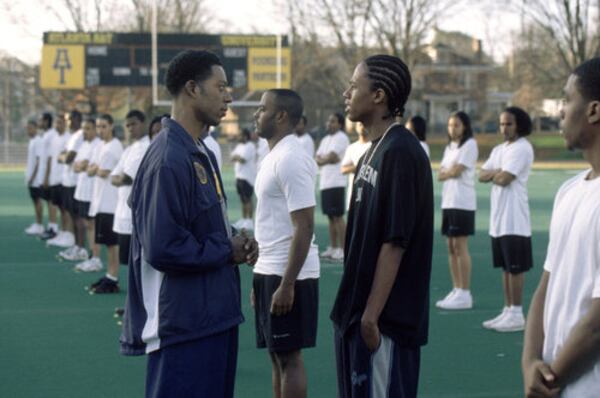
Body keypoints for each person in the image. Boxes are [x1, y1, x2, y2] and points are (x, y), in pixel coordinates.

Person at [120, 50, 258, 398]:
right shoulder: (168, 158)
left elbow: (204, 226)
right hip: (183, 325)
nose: (230, 95)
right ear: (193, 89)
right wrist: (226, 250)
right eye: (222, 86)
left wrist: (234, 240)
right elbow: (163, 248)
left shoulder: (202, 151)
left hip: (215, 316)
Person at [330, 54, 433, 398]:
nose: (347, 93)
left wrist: (372, 317)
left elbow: (395, 241)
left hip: (383, 324)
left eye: (354, 85)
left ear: (379, 96)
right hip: (355, 315)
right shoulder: (372, 152)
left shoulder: (401, 152)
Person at [522, 57, 600, 398]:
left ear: (594, 111)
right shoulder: (569, 191)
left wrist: (549, 379)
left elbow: (597, 325)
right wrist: (529, 363)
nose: (561, 111)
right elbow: (545, 286)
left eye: (567, 100)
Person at [253, 88, 320, 398]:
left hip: (289, 274)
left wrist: (287, 283)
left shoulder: (292, 158)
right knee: (275, 356)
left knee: (289, 358)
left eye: (262, 109)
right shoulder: (274, 155)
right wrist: (261, 279)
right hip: (270, 269)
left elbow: (304, 225)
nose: (256, 114)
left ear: (280, 116)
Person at [479, 107, 534, 332]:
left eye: (508, 124)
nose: (504, 128)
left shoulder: (522, 148)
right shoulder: (500, 149)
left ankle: (517, 313)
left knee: (515, 269)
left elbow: (503, 179)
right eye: (501, 124)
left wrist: (496, 172)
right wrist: (497, 172)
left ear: (519, 124)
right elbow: (482, 174)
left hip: (515, 220)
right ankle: (508, 310)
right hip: (499, 220)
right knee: (505, 268)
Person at [435, 111, 478, 310]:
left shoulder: (470, 145)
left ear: (465, 127)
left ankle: (465, 292)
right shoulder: (449, 147)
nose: (452, 128)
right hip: (449, 202)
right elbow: (441, 174)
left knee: (460, 247)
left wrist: (448, 171)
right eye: (450, 125)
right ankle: (456, 289)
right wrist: (448, 172)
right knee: (450, 246)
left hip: (463, 203)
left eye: (457, 125)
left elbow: (455, 171)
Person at [86, 114, 123, 293]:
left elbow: (100, 172)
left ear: (111, 126)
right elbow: (91, 169)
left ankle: (113, 278)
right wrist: (95, 168)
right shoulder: (100, 146)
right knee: (107, 241)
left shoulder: (114, 147)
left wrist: (95, 169)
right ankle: (109, 275)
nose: (100, 130)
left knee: (111, 243)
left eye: (103, 126)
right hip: (100, 200)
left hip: (111, 202)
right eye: (98, 126)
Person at [110, 110, 150, 268]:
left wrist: (120, 178)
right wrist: (120, 178)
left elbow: (126, 178)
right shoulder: (129, 149)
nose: (130, 128)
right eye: (127, 125)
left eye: (134, 124)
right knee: (127, 262)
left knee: (137, 262)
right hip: (122, 212)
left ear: (143, 123)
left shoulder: (146, 147)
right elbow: (114, 177)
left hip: (135, 215)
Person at [315, 113, 349, 261]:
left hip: (336, 182)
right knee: (330, 216)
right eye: (329, 121)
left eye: (333, 121)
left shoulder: (342, 137)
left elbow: (333, 156)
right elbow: (318, 157)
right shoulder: (325, 139)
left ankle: (343, 249)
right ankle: (333, 247)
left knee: (338, 216)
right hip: (325, 182)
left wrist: (326, 159)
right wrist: (326, 159)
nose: (329, 123)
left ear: (340, 124)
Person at [70, 118, 102, 264]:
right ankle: (88, 252)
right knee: (84, 223)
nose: (85, 131)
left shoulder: (98, 145)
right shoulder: (83, 145)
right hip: (81, 190)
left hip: (91, 192)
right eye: (84, 128)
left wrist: (82, 166)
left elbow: (89, 166)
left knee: (91, 224)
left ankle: (95, 257)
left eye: (88, 128)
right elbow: (76, 166)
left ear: (95, 130)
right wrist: (81, 165)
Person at [56, 110, 85, 255]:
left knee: (78, 216)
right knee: (72, 215)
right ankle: (75, 245)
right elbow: (61, 155)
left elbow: (67, 157)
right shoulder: (72, 136)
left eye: (69, 120)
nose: (68, 123)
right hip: (67, 181)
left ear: (77, 120)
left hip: (74, 181)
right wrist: (63, 156)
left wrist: (63, 156)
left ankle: (81, 247)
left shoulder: (80, 135)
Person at [45, 113, 73, 248]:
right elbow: (51, 158)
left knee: (65, 208)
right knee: (60, 208)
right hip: (54, 178)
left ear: (65, 124)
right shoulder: (54, 138)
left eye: (60, 123)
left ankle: (68, 234)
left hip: (64, 179)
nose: (58, 125)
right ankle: (63, 232)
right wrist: (48, 176)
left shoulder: (68, 138)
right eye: (56, 123)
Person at [37, 112, 59, 240]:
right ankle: (51, 225)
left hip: (49, 175)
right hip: (44, 174)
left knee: (52, 202)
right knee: (48, 202)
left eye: (40, 120)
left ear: (46, 121)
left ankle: (53, 228)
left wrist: (47, 177)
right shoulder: (45, 135)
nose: (39, 122)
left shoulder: (51, 135)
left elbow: (51, 157)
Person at [230, 128, 257, 230]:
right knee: (242, 199)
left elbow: (242, 160)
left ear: (245, 136)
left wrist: (237, 157)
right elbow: (232, 157)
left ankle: (249, 220)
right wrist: (237, 157)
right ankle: (243, 219)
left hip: (248, 177)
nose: (238, 137)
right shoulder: (239, 146)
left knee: (248, 199)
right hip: (239, 176)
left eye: (240, 135)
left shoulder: (250, 146)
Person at [340, 123, 371, 210]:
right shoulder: (352, 147)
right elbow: (343, 169)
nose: (362, 126)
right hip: (353, 195)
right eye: (360, 124)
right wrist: (360, 167)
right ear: (356, 127)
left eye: (364, 123)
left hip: (370, 195)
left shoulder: (374, 145)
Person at [24, 119, 45, 235]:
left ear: (36, 128)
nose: (28, 131)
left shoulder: (38, 141)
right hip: (31, 177)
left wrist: (32, 177)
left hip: (36, 179)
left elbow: (38, 161)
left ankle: (40, 224)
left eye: (30, 128)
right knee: (34, 200)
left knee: (37, 201)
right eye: (27, 128)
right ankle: (37, 223)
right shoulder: (32, 141)